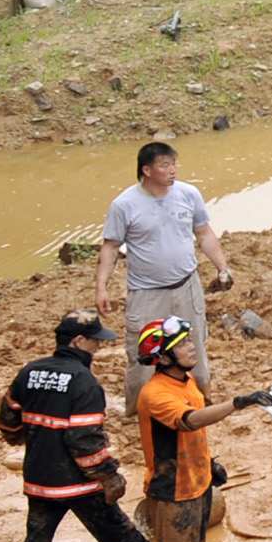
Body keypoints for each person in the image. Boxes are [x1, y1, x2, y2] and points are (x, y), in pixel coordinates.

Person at [0, 312, 155, 542]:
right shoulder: (84, 382)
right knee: (119, 531)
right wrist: (108, 475)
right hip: (79, 482)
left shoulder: (30, 371)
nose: (98, 346)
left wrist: (29, 440)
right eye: (95, 340)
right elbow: (84, 440)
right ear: (78, 342)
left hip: (39, 479)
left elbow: (8, 419)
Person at [131, 317, 272, 542]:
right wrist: (237, 403)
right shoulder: (155, 393)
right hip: (172, 493)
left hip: (195, 484)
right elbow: (189, 422)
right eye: (182, 344)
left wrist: (209, 465)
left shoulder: (185, 380)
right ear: (163, 357)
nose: (191, 347)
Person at [98, 141, 233, 414]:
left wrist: (222, 267)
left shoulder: (188, 194)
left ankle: (201, 400)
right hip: (147, 293)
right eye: (164, 165)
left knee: (194, 345)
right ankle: (137, 411)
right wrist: (101, 287)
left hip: (187, 285)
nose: (172, 170)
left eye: (173, 164)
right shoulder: (124, 205)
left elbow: (204, 233)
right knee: (143, 354)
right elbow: (111, 247)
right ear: (146, 170)